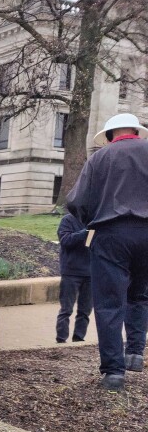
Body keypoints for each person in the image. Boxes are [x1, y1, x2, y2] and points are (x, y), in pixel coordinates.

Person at [67, 112, 148, 391]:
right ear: (136, 132)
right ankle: (135, 354)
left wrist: (94, 219)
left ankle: (114, 372)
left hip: (111, 233)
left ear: (110, 135)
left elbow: (77, 202)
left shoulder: (99, 158)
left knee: (109, 302)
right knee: (140, 295)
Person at [56, 213, 92, 344]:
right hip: (71, 272)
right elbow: (65, 241)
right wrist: (85, 233)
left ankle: (79, 338)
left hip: (90, 273)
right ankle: (61, 339)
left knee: (85, 310)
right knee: (66, 309)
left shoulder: (93, 219)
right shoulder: (68, 220)